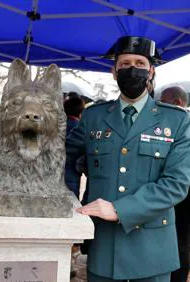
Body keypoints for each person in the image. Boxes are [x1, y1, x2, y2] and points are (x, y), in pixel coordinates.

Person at [65, 36, 190, 282]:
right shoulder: (93, 118)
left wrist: (119, 209)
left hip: (153, 252)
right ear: (114, 72)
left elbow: (177, 183)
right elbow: (62, 160)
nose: (132, 69)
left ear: (151, 71)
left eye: (140, 63)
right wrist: (69, 201)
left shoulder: (176, 121)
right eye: (124, 64)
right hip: (104, 250)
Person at [160, 86, 190, 282]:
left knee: (180, 240)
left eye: (164, 102)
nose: (161, 106)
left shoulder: (180, 123)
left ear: (178, 103)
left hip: (182, 193)